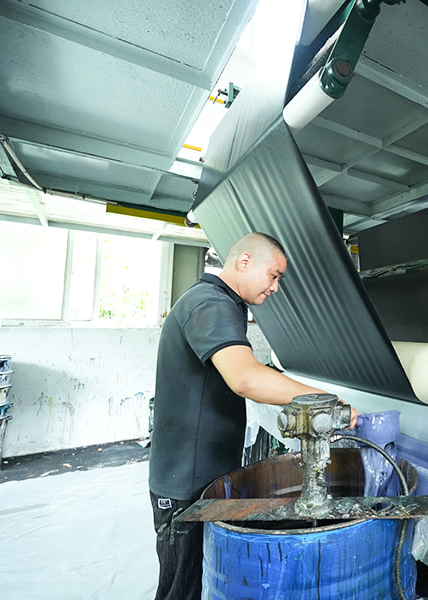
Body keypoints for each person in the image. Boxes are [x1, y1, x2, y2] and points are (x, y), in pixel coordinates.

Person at [148, 232, 357, 600]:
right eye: (273, 275)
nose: (275, 287)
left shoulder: (221, 303)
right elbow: (244, 377)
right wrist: (327, 401)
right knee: (182, 589)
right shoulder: (210, 303)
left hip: (201, 474)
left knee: (204, 579)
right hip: (186, 484)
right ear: (244, 262)